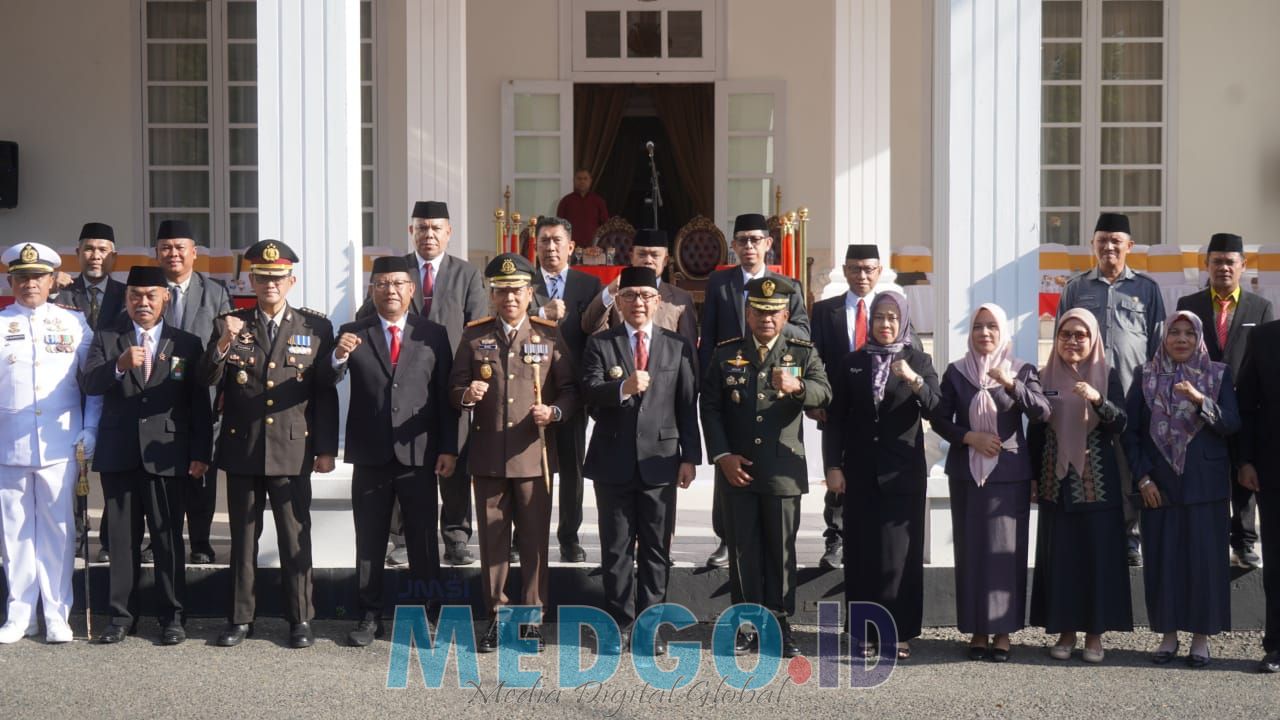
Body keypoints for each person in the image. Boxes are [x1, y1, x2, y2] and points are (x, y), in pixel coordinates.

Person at [201, 239, 339, 649]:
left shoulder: (315, 327)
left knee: (294, 537)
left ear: (291, 280)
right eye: (262, 277)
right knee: (243, 539)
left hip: (293, 448)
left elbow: (324, 393)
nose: (269, 284)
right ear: (252, 280)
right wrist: (224, 343)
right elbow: (207, 379)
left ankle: (300, 619)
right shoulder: (231, 323)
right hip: (243, 446)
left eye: (277, 277)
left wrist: (326, 449)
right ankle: (241, 618)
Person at [448, 253, 579, 653]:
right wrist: (466, 396)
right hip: (488, 455)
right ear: (491, 294)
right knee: (492, 542)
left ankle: (531, 621)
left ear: (529, 293)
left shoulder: (549, 335)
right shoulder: (474, 336)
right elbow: (453, 390)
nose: (509, 297)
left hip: (532, 455)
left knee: (535, 543)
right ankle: (496, 616)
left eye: (517, 290)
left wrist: (553, 411)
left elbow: (572, 390)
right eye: (501, 290)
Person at [81, 266, 212, 646]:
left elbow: (198, 403)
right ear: (126, 299)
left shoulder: (185, 343)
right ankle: (121, 617)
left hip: (167, 455)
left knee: (168, 537)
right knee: (122, 540)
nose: (143, 302)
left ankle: (172, 616)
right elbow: (89, 383)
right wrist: (119, 365)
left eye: (151, 295)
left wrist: (201, 453)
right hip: (119, 453)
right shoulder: (108, 338)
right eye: (135, 295)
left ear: (164, 298)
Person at [332, 255, 459, 646]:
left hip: (418, 453)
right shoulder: (354, 331)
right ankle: (369, 615)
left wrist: (449, 448)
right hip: (370, 453)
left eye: (398, 284)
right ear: (373, 291)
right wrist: (338, 355)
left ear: (410, 291)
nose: (390, 290)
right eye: (382, 284)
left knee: (422, 540)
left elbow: (445, 396)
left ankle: (427, 613)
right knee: (369, 539)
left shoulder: (433, 334)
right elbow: (328, 376)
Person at [702, 277, 829, 659]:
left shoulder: (801, 351)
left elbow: (826, 391)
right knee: (743, 550)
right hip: (736, 469)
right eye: (759, 311)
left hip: (782, 470)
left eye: (774, 312)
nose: (766, 318)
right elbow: (709, 406)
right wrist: (722, 456)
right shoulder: (726, 353)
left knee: (780, 551)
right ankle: (746, 624)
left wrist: (798, 387)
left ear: (786, 315)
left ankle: (779, 623)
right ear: (748, 313)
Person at [358, 201, 487, 568]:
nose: (428, 234)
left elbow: (477, 326)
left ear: (448, 233)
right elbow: (367, 316)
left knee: (455, 456)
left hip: (452, 383)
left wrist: (474, 376)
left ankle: (457, 535)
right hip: (404, 383)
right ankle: (400, 538)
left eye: (435, 228)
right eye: (421, 228)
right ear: (411, 232)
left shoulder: (466, 274)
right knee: (400, 458)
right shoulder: (394, 272)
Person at [581, 266, 700, 656]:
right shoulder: (602, 343)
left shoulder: (676, 345)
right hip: (613, 458)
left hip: (661, 459)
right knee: (616, 548)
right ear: (618, 300)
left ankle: (651, 626)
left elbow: (686, 403)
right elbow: (590, 392)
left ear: (658, 301)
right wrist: (622, 388)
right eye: (629, 295)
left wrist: (690, 457)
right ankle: (618, 622)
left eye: (646, 296)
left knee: (655, 549)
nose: (638, 303)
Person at [930, 303, 1049, 661]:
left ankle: (1003, 631)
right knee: (972, 552)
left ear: (1003, 333)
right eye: (979, 327)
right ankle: (977, 630)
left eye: (992, 327)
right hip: (968, 473)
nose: (985, 333)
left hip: (1009, 474)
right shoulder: (956, 372)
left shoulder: (1022, 370)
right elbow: (939, 419)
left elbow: (1042, 412)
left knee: (1004, 555)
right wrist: (969, 438)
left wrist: (1011, 384)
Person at [824, 290, 938, 661]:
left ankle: (899, 632)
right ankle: (863, 631)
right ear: (869, 321)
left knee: (898, 556)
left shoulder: (918, 359)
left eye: (892, 317)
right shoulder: (852, 362)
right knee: (860, 553)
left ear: (903, 320)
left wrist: (915, 380)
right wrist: (833, 467)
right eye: (878, 317)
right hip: (858, 472)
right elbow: (836, 419)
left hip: (902, 473)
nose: (885, 324)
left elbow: (939, 409)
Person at [1124, 311, 1240, 667]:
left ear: (1199, 338)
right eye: (1174, 332)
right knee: (1164, 560)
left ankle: (1201, 638)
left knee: (1204, 563)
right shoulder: (1145, 376)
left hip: (1205, 487)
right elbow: (1130, 434)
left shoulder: (1217, 375)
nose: (1181, 339)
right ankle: (1168, 635)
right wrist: (1143, 478)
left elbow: (1232, 424)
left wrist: (1201, 400)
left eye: (1189, 333)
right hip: (1158, 487)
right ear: (1164, 337)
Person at [0, 242, 101, 644]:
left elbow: (93, 385)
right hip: (9, 446)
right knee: (14, 533)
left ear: (51, 280)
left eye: (37, 277)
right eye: (21, 277)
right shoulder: (0, 322)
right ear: (10, 280)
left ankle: (58, 613)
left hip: (61, 444)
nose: (29, 284)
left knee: (59, 532)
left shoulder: (74, 324)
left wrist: (90, 428)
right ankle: (20, 613)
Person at [697, 213, 810, 568]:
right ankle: (726, 539)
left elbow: (805, 332)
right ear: (733, 245)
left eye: (755, 239)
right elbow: (709, 336)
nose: (749, 246)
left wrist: (771, 315)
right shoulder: (720, 283)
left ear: (768, 244)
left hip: (776, 387)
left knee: (769, 464)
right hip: (732, 384)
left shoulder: (787, 283)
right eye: (742, 240)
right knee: (729, 463)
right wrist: (706, 381)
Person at [1056, 212, 1165, 566]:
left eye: (1116, 241)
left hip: (1132, 393)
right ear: (1093, 244)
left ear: (1129, 246)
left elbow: (1157, 344)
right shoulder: (1076, 288)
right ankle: (1095, 534)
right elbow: (1062, 339)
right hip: (1085, 395)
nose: (1109, 247)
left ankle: (1130, 538)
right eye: (1102, 240)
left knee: (1128, 462)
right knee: (1088, 462)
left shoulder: (1147, 289)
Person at [1028, 308, 1133, 663]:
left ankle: (1094, 636)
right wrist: (1031, 478)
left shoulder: (1108, 375)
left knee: (1096, 561)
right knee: (1062, 560)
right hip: (1055, 485)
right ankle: (1065, 631)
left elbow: (1122, 424)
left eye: (1080, 335)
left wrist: (1098, 400)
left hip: (1097, 486)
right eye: (1065, 334)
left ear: (1093, 340)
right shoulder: (1043, 376)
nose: (1073, 341)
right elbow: (1035, 433)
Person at [809, 244, 921, 570]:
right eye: (856, 269)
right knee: (838, 471)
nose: (862, 275)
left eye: (869, 269)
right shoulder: (825, 310)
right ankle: (835, 538)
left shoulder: (893, 311)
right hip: (839, 408)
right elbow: (812, 358)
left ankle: (864, 537)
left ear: (879, 271)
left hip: (882, 414)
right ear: (844, 271)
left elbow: (913, 353)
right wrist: (816, 400)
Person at [1176, 232, 1273, 569]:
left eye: (1230, 262)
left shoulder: (1260, 307)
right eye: (1216, 261)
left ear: (1243, 266)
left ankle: (1244, 542)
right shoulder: (1189, 305)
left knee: (1244, 473)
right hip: (1199, 404)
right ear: (1207, 265)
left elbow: (1264, 360)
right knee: (1207, 474)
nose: (1224, 268)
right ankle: (1209, 540)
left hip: (1244, 405)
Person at [154, 219, 233, 566]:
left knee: (203, 472)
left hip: (204, 392)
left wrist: (226, 392)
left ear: (194, 253)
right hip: (158, 394)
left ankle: (200, 541)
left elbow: (230, 346)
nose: (173, 254)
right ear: (157, 253)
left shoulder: (214, 292)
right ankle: (158, 539)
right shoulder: (147, 288)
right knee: (158, 471)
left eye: (179, 247)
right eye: (166, 248)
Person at [529, 216, 602, 564]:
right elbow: (503, 318)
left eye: (557, 240)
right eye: (544, 240)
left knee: (572, 467)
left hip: (572, 391)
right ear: (536, 245)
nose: (551, 247)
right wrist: (540, 312)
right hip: (529, 389)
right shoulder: (523, 282)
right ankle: (524, 534)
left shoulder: (588, 286)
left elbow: (596, 338)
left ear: (571, 246)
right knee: (529, 466)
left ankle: (569, 537)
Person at [58, 222, 126, 561]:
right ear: (78, 253)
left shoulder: (127, 295)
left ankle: (110, 542)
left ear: (113, 256)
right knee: (68, 471)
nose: (95, 256)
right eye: (88, 249)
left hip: (113, 393)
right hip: (69, 394)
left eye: (102, 250)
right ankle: (74, 534)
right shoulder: (61, 295)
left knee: (112, 471)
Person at [1233, 317, 1280, 672]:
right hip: (1273, 468)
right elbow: (1246, 406)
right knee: (1277, 562)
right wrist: (1245, 460)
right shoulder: (1264, 338)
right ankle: (1277, 645)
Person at [579, 228, 698, 356]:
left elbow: (689, 352)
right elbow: (589, 326)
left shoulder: (680, 299)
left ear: (665, 260)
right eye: (642, 254)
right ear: (631, 257)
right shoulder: (613, 294)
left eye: (654, 255)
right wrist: (610, 291)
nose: (648, 260)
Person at [555, 168, 609, 247]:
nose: (582, 181)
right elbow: (559, 225)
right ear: (574, 181)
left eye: (585, 178)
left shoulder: (598, 201)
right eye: (579, 179)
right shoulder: (566, 201)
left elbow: (605, 225)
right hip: (570, 246)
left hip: (593, 247)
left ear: (590, 181)